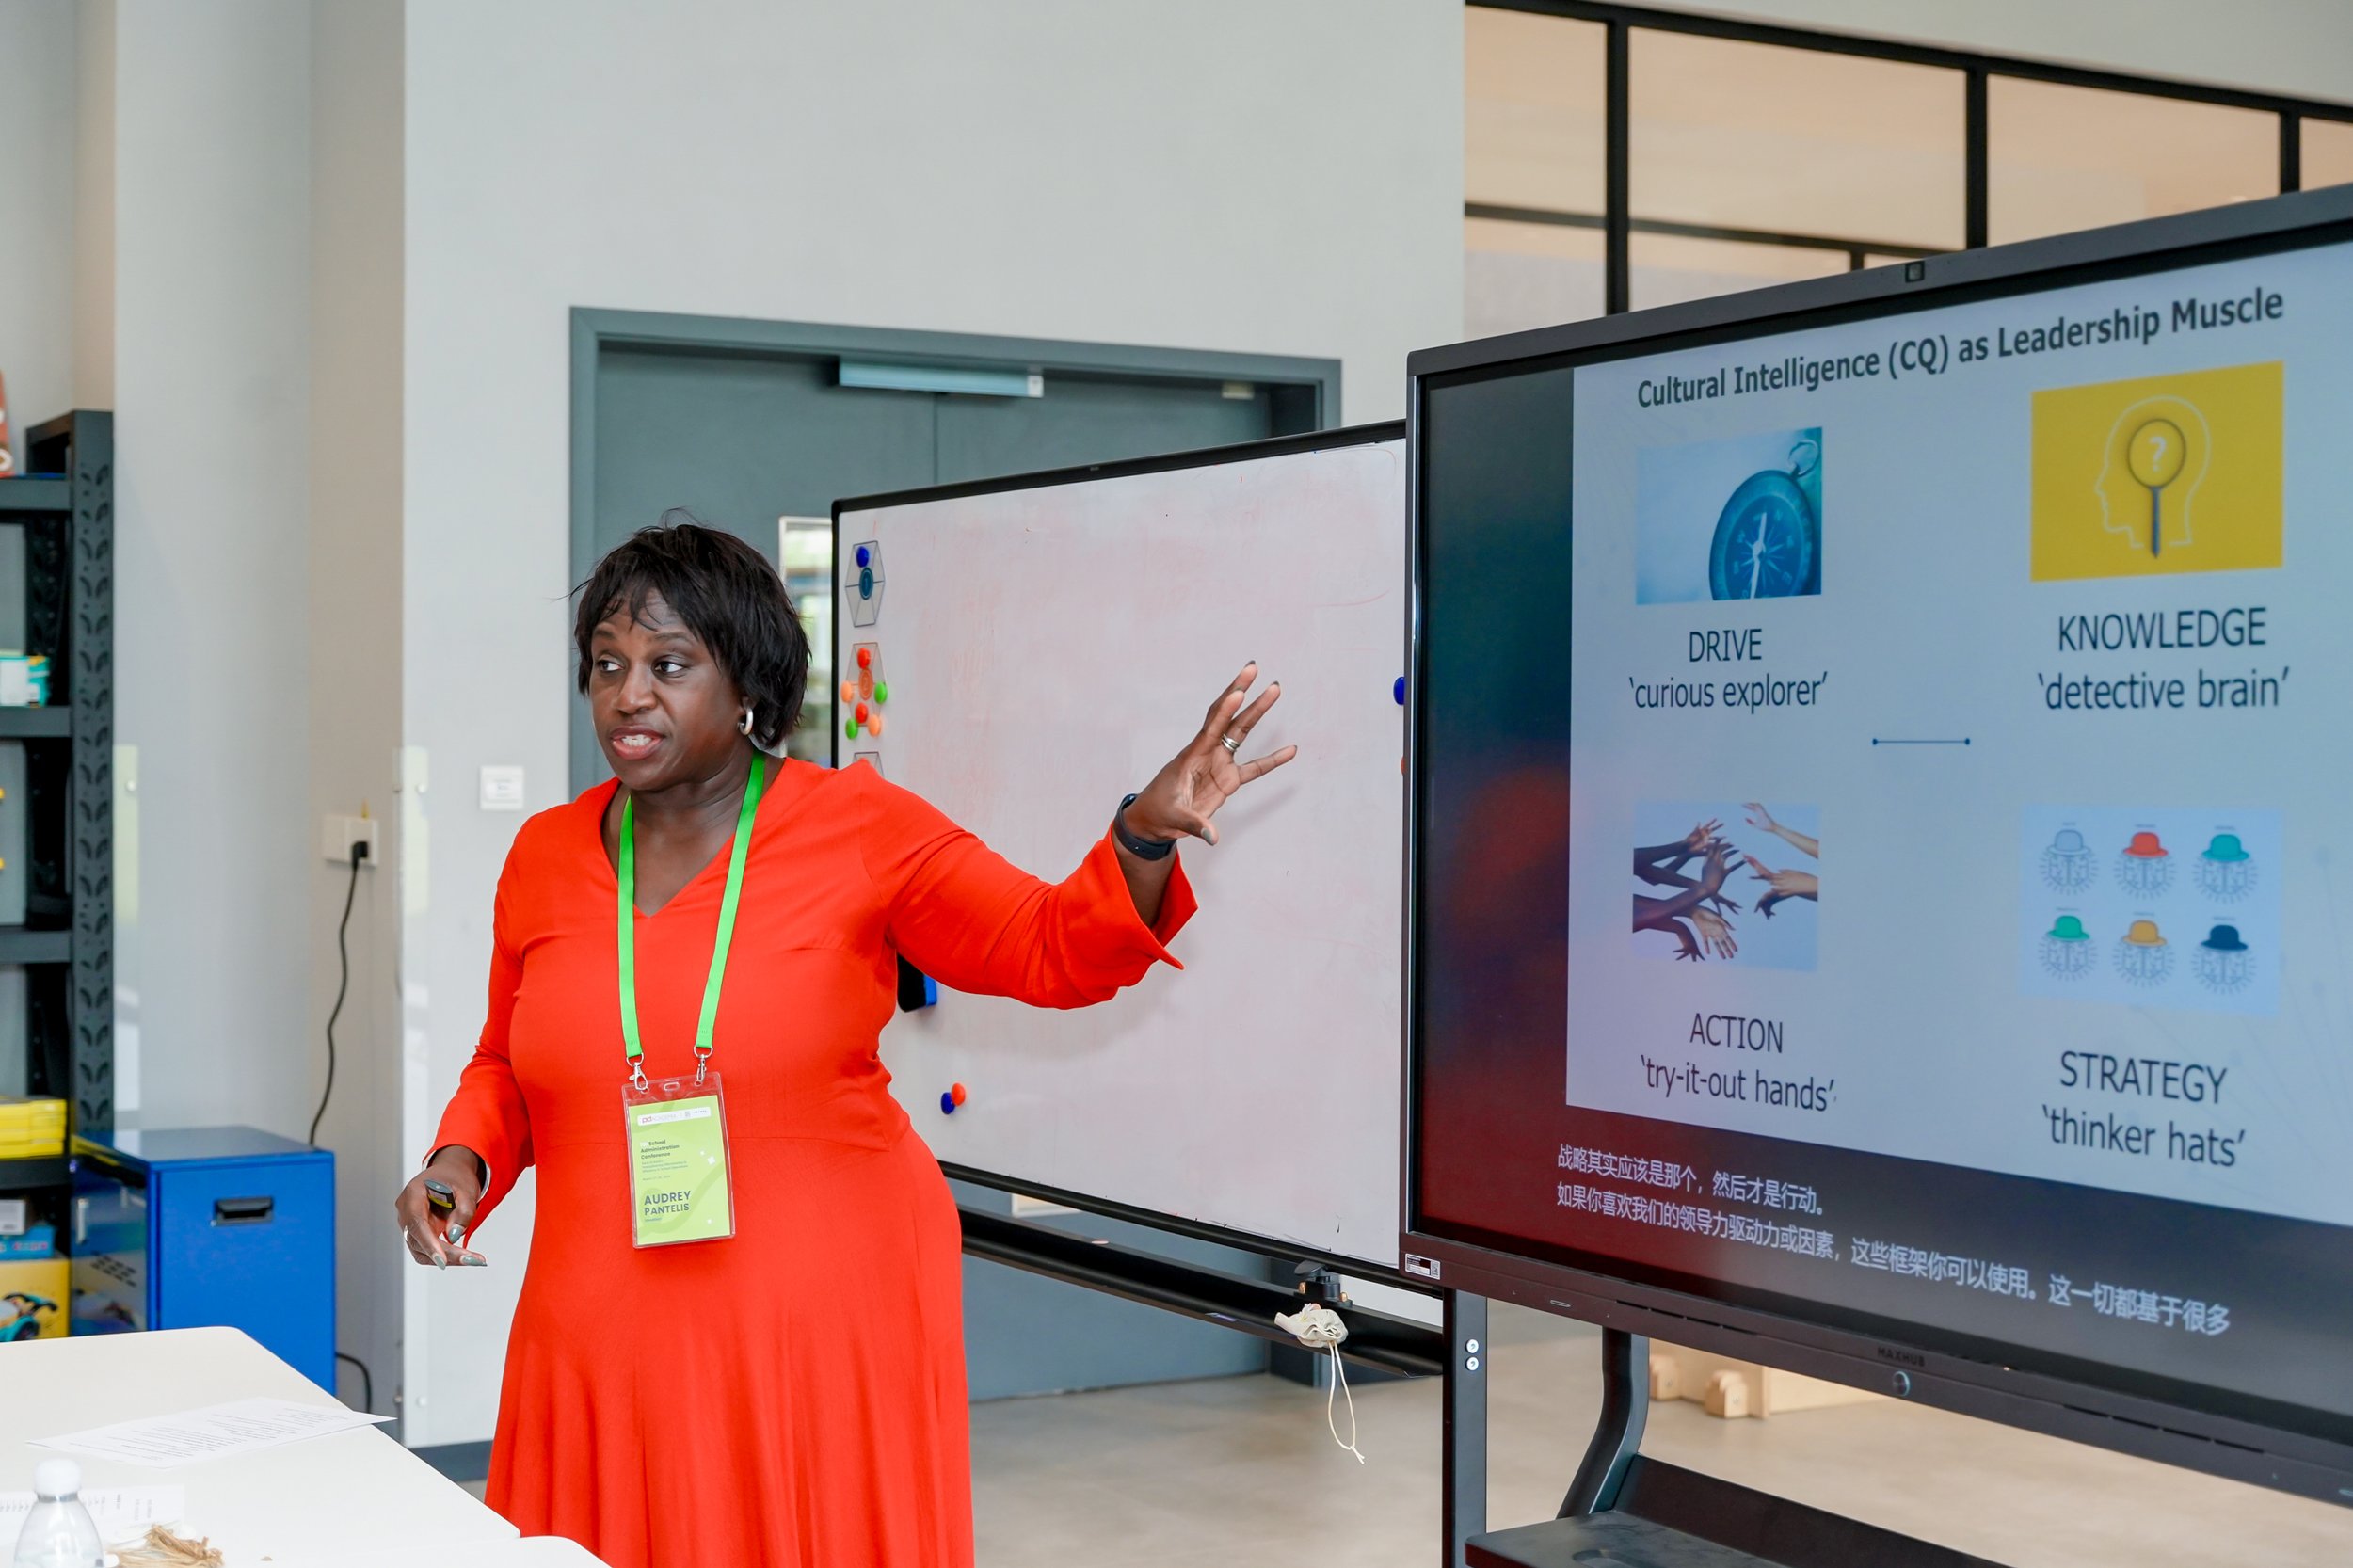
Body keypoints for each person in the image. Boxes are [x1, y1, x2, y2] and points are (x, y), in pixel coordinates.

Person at [392, 520, 1294, 1568]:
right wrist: (460, 1162)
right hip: (600, 1310)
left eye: (668, 666)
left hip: (818, 1311)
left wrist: (1139, 836)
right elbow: (507, 1061)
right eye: (607, 665)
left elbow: (1049, 948)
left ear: (746, 686)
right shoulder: (545, 853)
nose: (628, 695)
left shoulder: (862, 827)